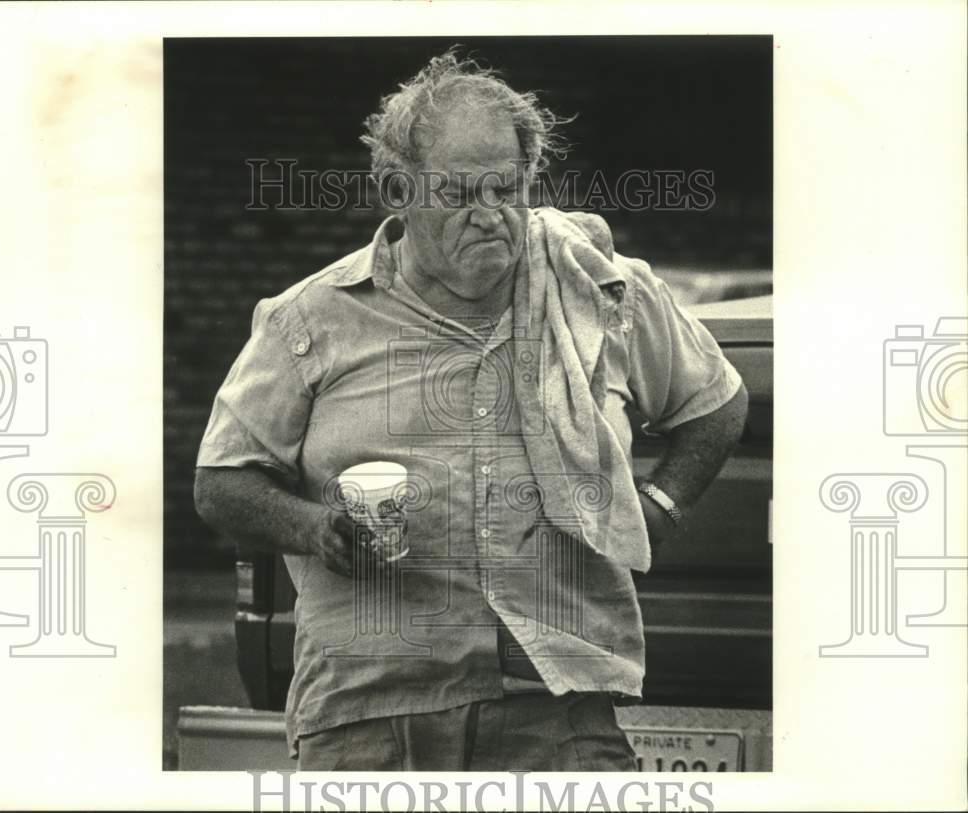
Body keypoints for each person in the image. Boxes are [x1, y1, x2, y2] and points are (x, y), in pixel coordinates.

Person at [194, 50, 748, 771]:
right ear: (399, 188)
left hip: (557, 710)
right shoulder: (311, 319)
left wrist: (659, 507)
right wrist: (313, 527)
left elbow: (717, 401)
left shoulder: (593, 290)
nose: (489, 217)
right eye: (459, 194)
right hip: (367, 712)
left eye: (506, 189)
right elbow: (221, 482)